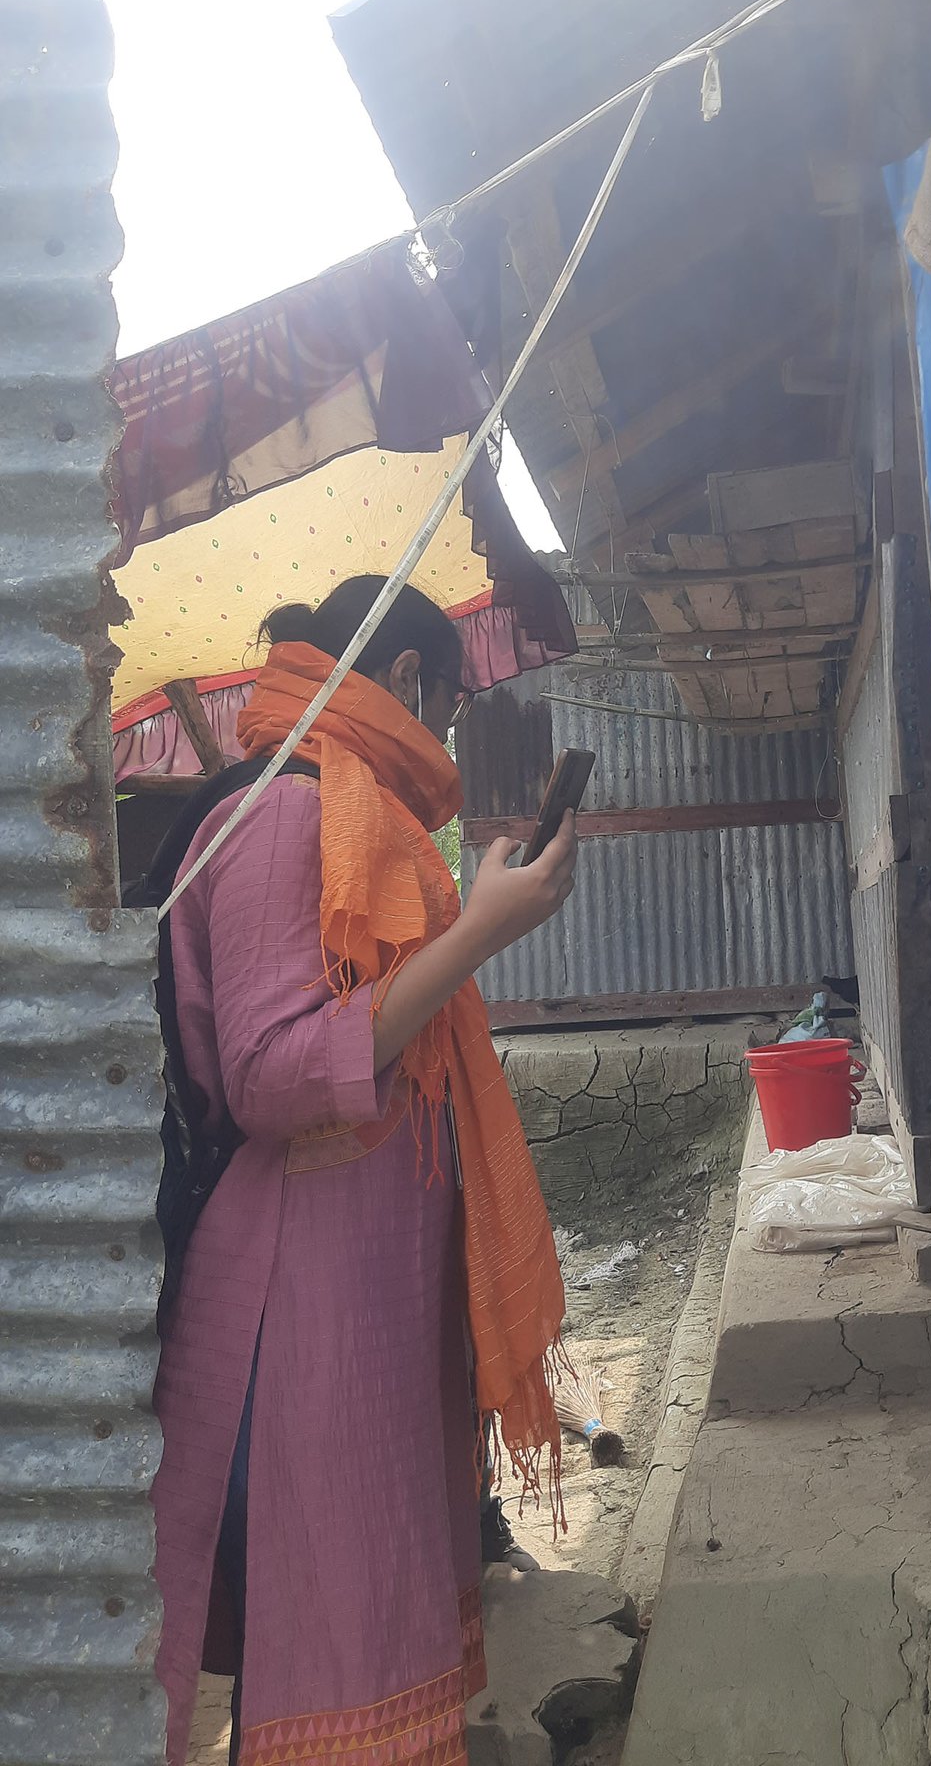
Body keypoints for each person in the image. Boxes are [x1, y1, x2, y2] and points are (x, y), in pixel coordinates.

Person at [149, 577, 578, 1766]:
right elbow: (271, 1072)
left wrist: (474, 920)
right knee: (324, 1629)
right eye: (446, 705)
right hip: (302, 1304)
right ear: (399, 677)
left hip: (358, 1298)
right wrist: (478, 931)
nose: (444, 736)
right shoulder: (287, 810)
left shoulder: (346, 803)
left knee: (361, 1609)